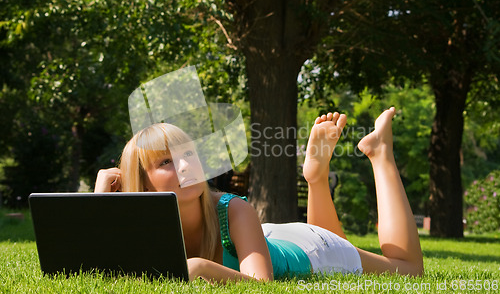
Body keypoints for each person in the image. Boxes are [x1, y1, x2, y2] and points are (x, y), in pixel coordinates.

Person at [95, 107, 424, 282]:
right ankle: (316, 177)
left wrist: (199, 268)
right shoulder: (143, 224)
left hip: (311, 252)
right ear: (143, 181)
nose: (184, 166)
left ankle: (380, 153)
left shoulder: (232, 209)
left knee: (408, 269)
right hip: (266, 238)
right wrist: (100, 197)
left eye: (188, 155)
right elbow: (102, 268)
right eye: (166, 161)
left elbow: (261, 286)